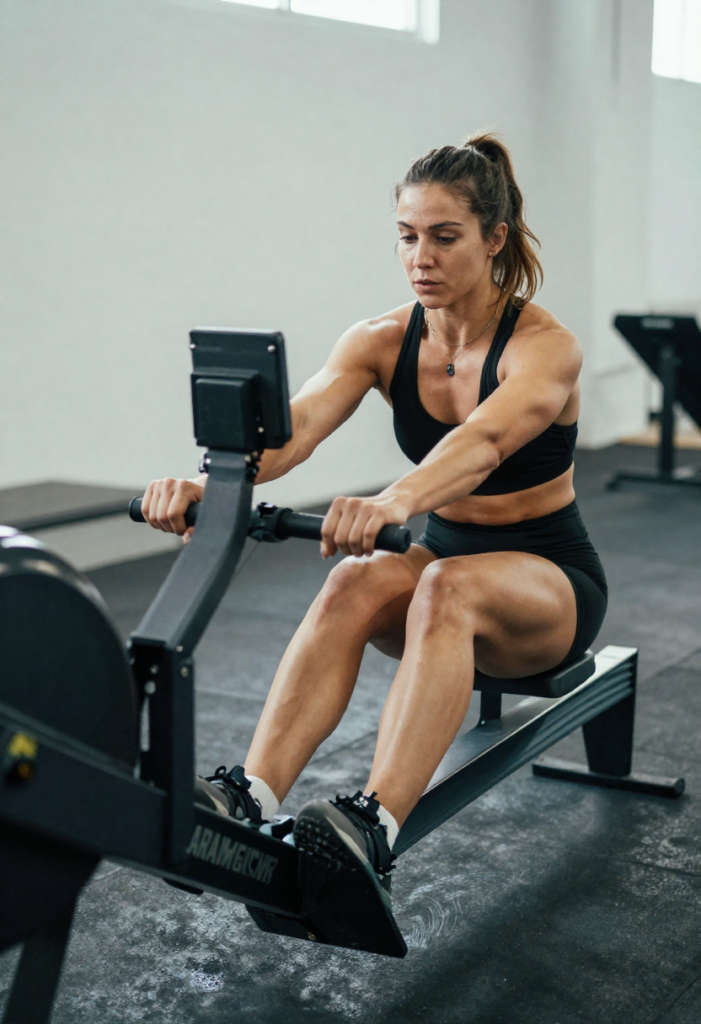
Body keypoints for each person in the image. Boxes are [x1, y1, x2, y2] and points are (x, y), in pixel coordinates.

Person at [141, 134, 607, 947]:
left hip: (547, 581)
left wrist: (391, 500)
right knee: (357, 578)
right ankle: (251, 791)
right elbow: (291, 433)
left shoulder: (544, 347)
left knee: (442, 585)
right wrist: (210, 485)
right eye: (405, 235)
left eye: (442, 236)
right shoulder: (379, 340)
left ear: (493, 238)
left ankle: (374, 827)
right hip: (442, 561)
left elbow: (485, 443)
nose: (418, 256)